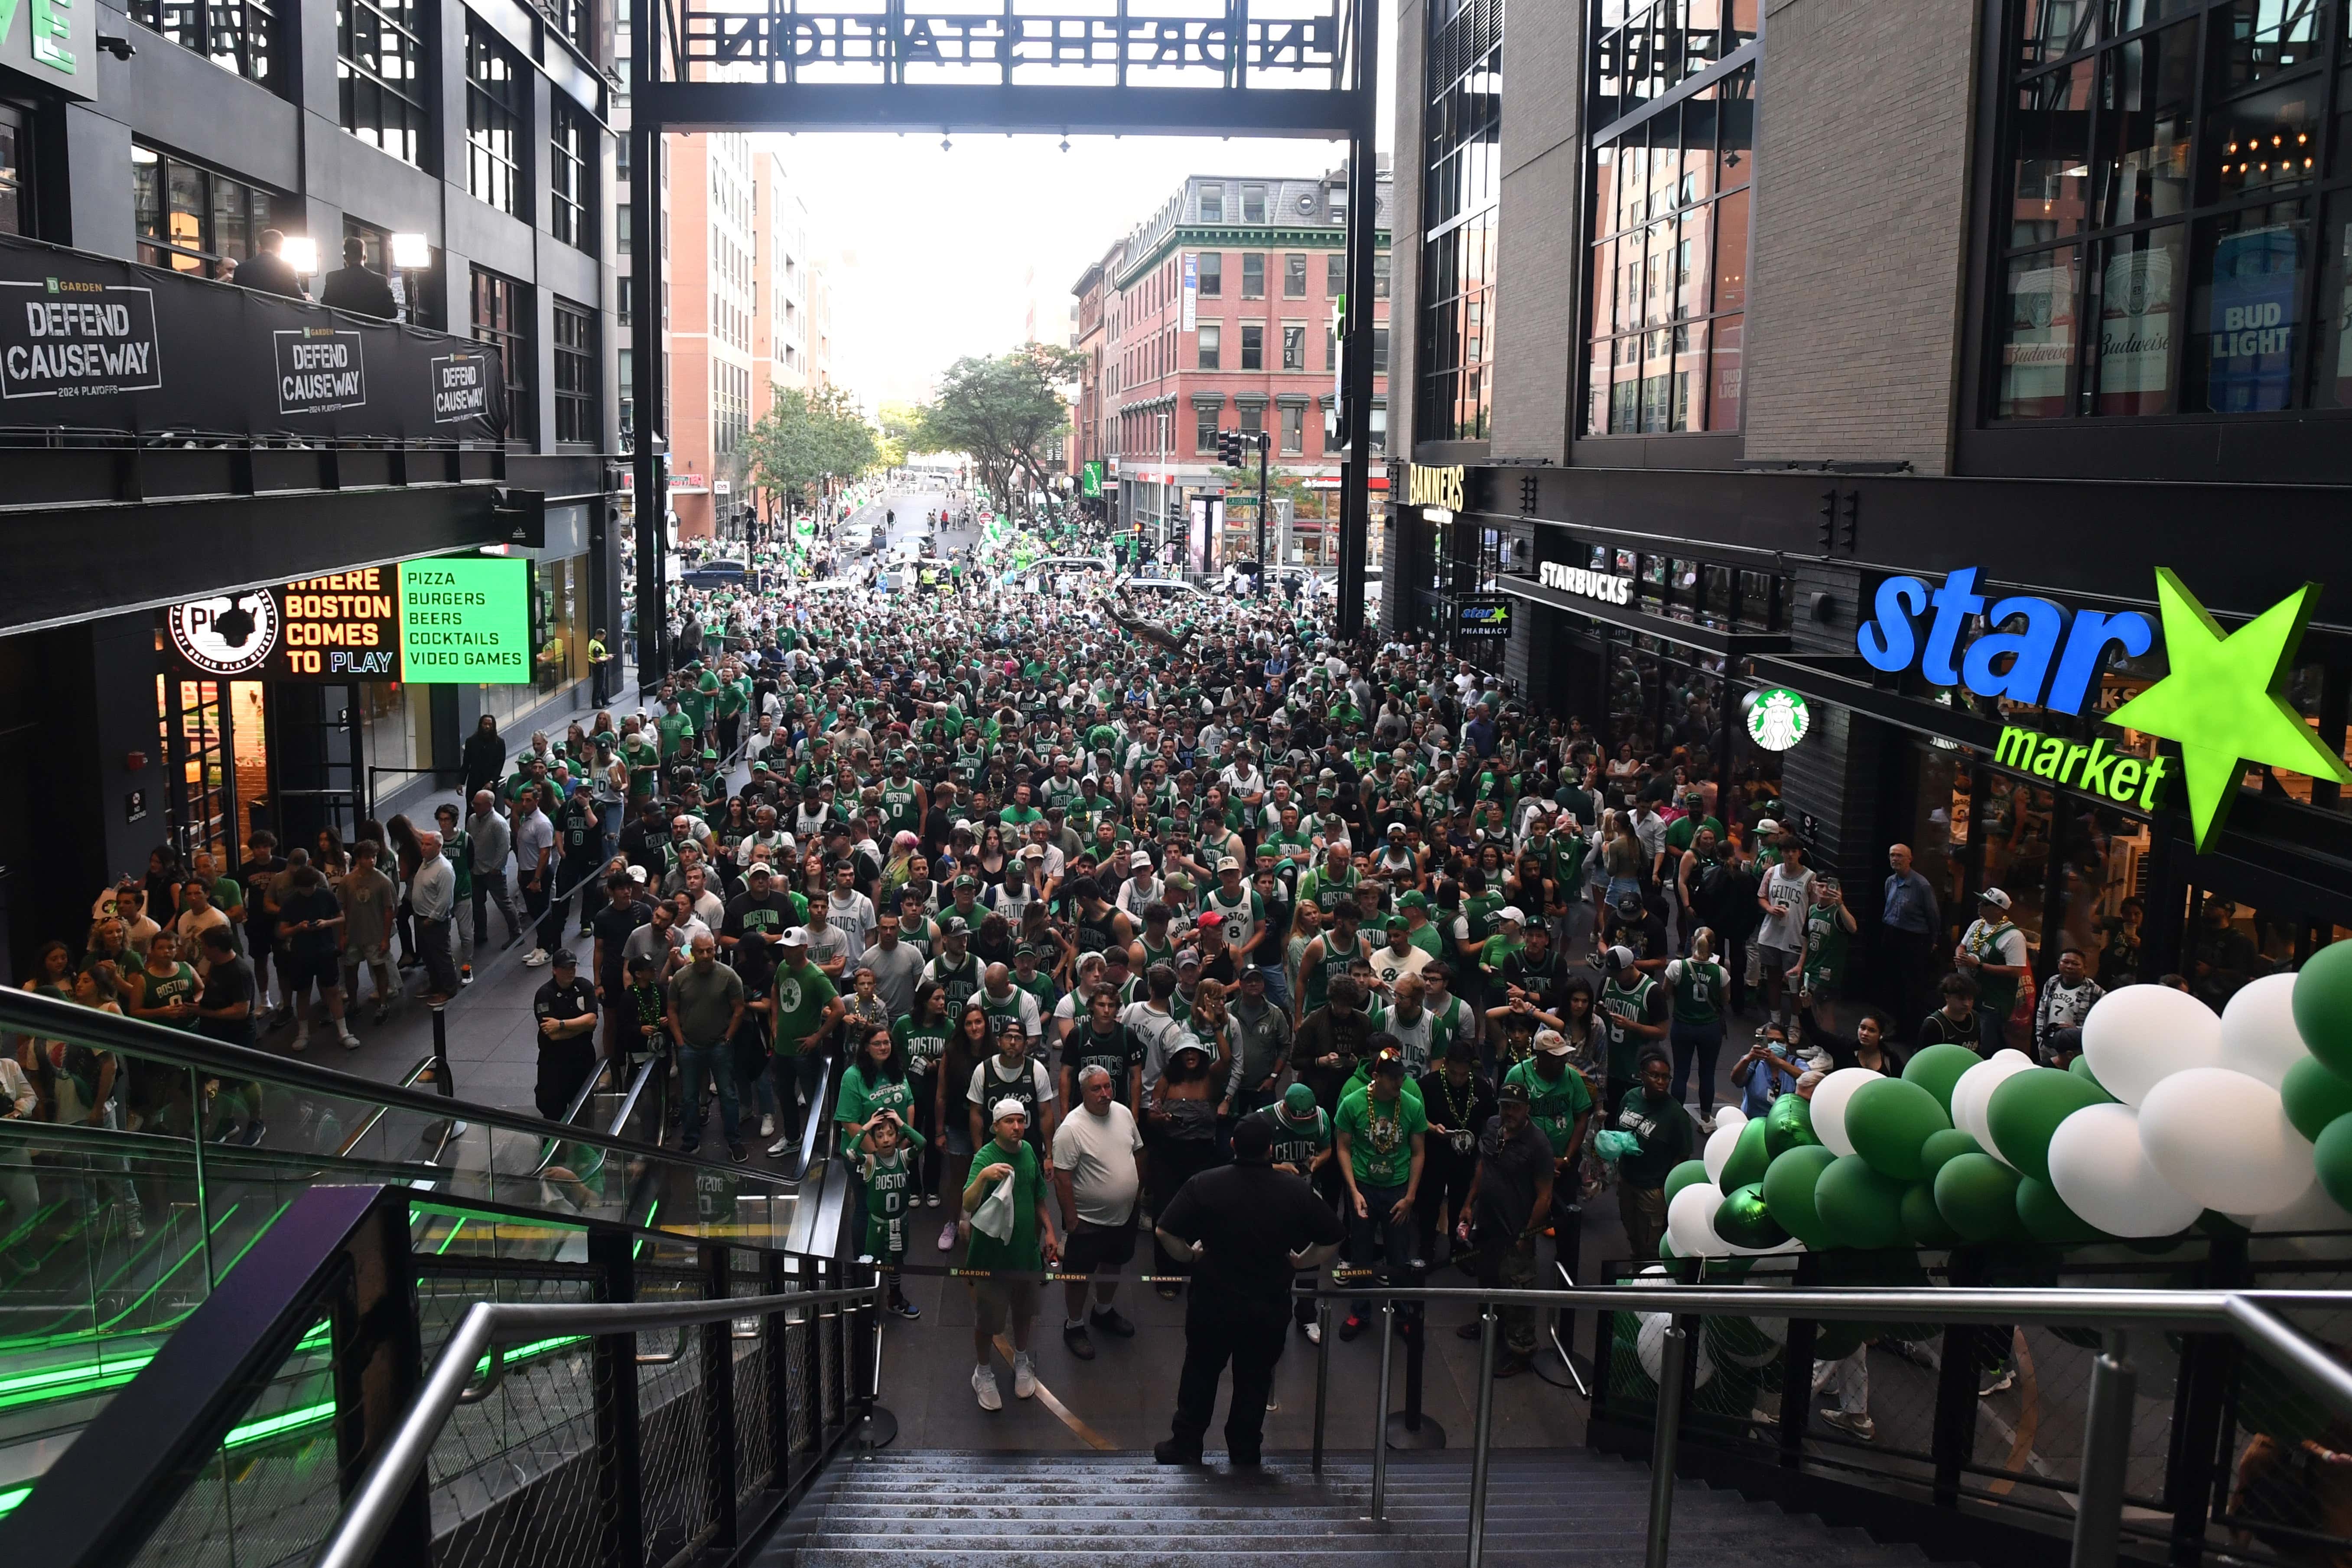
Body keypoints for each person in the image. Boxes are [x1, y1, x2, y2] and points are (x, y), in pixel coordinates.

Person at [1152, 1114, 1344, 1466]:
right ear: (1271, 1149)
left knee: (1200, 1373)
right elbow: (1333, 1234)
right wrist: (1300, 1262)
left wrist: (1189, 1257)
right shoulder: (1294, 1190)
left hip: (1212, 1303)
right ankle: (1244, 1450)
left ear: (1233, 1145)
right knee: (1254, 1381)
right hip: (1267, 1307)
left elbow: (1165, 1231)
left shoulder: (1204, 1184)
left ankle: (1186, 1444)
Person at [963, 1098, 1060, 1411]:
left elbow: (1038, 1198)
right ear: (996, 1126)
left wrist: (1049, 1231)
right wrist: (982, 1178)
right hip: (991, 1260)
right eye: (1009, 1122)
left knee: (1023, 1311)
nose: (1017, 1127)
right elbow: (967, 1203)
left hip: (1025, 1255)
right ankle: (983, 1372)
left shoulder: (1030, 1151)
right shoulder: (985, 1157)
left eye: (1021, 1121)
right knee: (988, 1321)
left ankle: (1022, 1360)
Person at [1456, 1078, 1555, 1376]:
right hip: (1488, 1224)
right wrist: (1468, 1204)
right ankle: (1489, 1322)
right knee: (1487, 1279)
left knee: (1518, 1291)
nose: (1509, 1112)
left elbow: (1545, 1196)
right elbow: (1483, 1166)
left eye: (1515, 1107)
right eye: (1505, 1106)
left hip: (1516, 1231)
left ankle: (1522, 1350)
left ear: (1526, 1109)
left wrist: (1527, 1234)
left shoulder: (1538, 1144)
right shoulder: (1491, 1126)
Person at [1051, 1062, 1145, 1360]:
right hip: (1088, 1221)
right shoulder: (1071, 1129)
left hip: (1124, 1215)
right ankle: (1074, 1324)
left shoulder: (1124, 1114)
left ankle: (1103, 1312)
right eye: (1097, 1089)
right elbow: (1062, 1177)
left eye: (1108, 1087)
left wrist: (1136, 1193)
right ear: (1084, 1092)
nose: (1105, 1094)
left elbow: (1138, 1152)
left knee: (1114, 1263)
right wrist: (1070, 1220)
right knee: (1078, 1276)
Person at [1334, 1048, 1427, 1340]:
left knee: (1398, 1254)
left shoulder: (1411, 1104)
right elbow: (1343, 1148)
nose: (1399, 1083)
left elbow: (1418, 1153)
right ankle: (1359, 1312)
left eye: (1401, 1077)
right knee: (1361, 1254)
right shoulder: (1352, 1103)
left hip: (1397, 1189)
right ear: (1376, 1077)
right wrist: (1353, 1192)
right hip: (1363, 1187)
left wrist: (1410, 1196)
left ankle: (1402, 1313)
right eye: (1392, 1079)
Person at [1606, 1049, 1694, 1262]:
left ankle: (1649, 1276)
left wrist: (1665, 1189)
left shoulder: (1676, 1114)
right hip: (1627, 1180)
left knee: (1651, 1239)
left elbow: (1683, 1155)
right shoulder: (1630, 1098)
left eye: (1666, 1077)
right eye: (1655, 1076)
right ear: (1642, 1076)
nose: (1662, 1082)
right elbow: (1620, 1131)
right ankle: (1636, 1263)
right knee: (1631, 1228)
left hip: (1652, 1188)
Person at [669, 931, 748, 1160]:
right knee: (689, 1097)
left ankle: (734, 1141)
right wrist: (680, 1041)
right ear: (692, 953)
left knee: (728, 1095)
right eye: (701, 951)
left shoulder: (728, 976)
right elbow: (672, 1010)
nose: (705, 955)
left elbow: (739, 1007)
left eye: (710, 950)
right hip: (690, 1046)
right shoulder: (681, 978)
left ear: (715, 950)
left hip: (719, 1046)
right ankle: (691, 1141)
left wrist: (728, 1037)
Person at [1662, 929, 1730, 1129]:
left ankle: (1675, 1119)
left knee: (1681, 1072)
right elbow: (1725, 1000)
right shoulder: (1721, 972)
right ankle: (1707, 1119)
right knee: (1707, 1073)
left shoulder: (1677, 967)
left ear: (1692, 941)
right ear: (1714, 947)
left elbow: (1665, 992)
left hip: (1683, 1025)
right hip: (1710, 1028)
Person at [858, 1109, 923, 1318]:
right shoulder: (870, 1162)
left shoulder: (903, 1158)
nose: (886, 1140)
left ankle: (894, 1299)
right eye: (880, 1135)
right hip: (877, 1225)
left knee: (896, 1263)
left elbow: (921, 1143)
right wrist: (866, 1127)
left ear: (897, 1137)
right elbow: (851, 1153)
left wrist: (901, 1123)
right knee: (873, 1264)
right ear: (874, 1141)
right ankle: (870, 1308)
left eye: (890, 1134)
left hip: (899, 1223)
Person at [1956, 888, 2030, 1051]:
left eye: (1985, 904)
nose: (1979, 905)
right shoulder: (1977, 924)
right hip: (1971, 994)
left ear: (1999, 909)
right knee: (1967, 1040)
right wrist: (1960, 956)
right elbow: (1962, 946)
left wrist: (1979, 966)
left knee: (1987, 1044)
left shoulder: (2014, 937)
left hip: (1994, 1001)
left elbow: (2015, 971)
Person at [531, 949, 599, 1121]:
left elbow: (592, 1021)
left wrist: (562, 1024)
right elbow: (552, 1035)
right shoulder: (545, 994)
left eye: (573, 967)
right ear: (555, 970)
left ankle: (584, 1148)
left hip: (582, 1060)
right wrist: (582, 1027)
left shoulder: (584, 986)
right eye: (565, 968)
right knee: (554, 1115)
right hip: (555, 1064)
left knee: (585, 1112)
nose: (571, 971)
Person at [1878, 843, 1940, 1031]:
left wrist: (1934, 941)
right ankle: (1894, 1022)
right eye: (1892, 856)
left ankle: (1909, 1028)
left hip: (1913, 938)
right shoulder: (1890, 881)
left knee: (1911, 986)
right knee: (1892, 980)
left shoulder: (1922, 885)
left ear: (1910, 859)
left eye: (1900, 856)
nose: (1895, 859)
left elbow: (1933, 916)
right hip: (1892, 933)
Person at [409, 828, 460, 1003]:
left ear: (438, 847)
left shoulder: (444, 869)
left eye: (428, 845)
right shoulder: (426, 862)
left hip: (434, 922)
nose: (423, 847)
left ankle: (449, 990)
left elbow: (445, 900)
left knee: (441, 957)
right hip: (421, 917)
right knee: (428, 956)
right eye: (423, 844)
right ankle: (435, 985)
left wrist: (432, 919)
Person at [2035, 946, 2104, 1067]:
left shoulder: (2096, 992)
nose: (2069, 967)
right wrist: (2040, 1037)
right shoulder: (2053, 982)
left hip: (2073, 1049)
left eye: (2075, 964)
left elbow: (2102, 1025)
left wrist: (2077, 1030)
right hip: (2048, 1043)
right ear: (2059, 964)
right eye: (2065, 962)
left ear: (2085, 968)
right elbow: (2042, 1011)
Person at [317, 235, 398, 317]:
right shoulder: (380, 280)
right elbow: (392, 312)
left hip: (342, 328)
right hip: (371, 329)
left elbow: (325, 309)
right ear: (365, 257)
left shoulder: (333, 278)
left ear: (345, 257)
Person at [231, 228, 307, 298]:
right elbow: (298, 299)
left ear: (260, 248)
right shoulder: (287, 268)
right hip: (278, 312)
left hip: (249, 312)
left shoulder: (240, 268)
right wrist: (307, 299)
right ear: (281, 248)